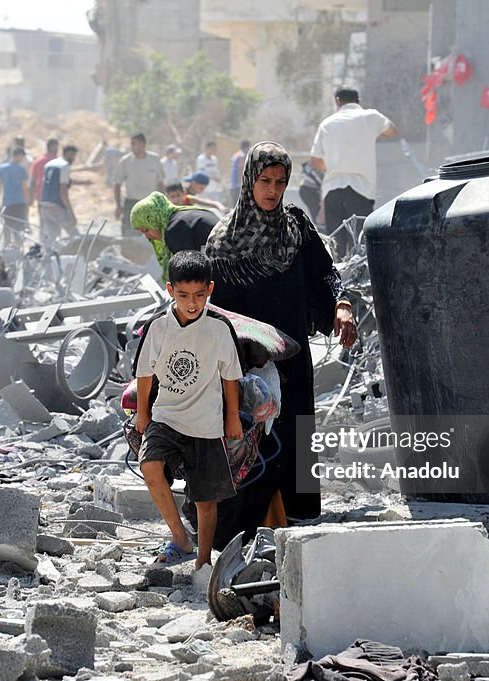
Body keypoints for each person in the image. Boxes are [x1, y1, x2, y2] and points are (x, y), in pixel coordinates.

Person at [204, 141, 358, 548]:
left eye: (280, 182)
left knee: (296, 431)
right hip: (248, 364)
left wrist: (340, 305)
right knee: (254, 437)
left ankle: (299, 518)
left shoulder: (296, 227)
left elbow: (324, 271)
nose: (272, 190)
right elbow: (212, 312)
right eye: (265, 181)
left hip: (293, 358)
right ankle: (247, 527)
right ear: (249, 182)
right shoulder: (223, 243)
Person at [134, 250, 243, 568]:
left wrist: (232, 417)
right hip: (166, 415)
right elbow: (145, 373)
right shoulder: (158, 327)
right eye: (183, 295)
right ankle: (180, 539)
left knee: (205, 499)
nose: (192, 303)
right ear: (170, 291)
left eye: (198, 295)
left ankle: (204, 561)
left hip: (206, 423)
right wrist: (143, 413)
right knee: (151, 466)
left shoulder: (219, 328)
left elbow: (230, 377)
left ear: (210, 289)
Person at [310, 86, 396, 258]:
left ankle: (336, 282)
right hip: (361, 189)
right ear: (358, 101)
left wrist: (335, 165)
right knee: (360, 245)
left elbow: (315, 162)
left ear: (337, 102)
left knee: (336, 246)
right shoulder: (370, 117)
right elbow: (392, 131)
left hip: (332, 190)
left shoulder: (326, 124)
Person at [130, 191, 218, 281]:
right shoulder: (184, 214)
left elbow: (190, 273)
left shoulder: (175, 230)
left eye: (146, 230)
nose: (147, 236)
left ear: (154, 221)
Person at [39, 145, 91, 245]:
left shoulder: (49, 164)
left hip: (44, 206)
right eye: (74, 156)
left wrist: (83, 182)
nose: (74, 159)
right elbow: (63, 192)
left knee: (50, 240)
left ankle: (47, 259)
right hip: (56, 207)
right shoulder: (64, 166)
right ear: (69, 154)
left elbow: (53, 183)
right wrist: (71, 214)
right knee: (75, 236)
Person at [113, 133, 164, 234]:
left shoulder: (154, 160)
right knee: (128, 236)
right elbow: (117, 184)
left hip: (150, 204)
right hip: (132, 204)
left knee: (151, 237)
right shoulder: (125, 161)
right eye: (131, 144)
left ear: (143, 144)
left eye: (134, 143)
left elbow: (160, 183)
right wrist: (118, 205)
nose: (132, 146)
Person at [0, 147, 30, 244]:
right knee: (18, 230)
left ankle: (6, 251)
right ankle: (18, 251)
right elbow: (25, 188)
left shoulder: (2, 168)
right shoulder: (21, 170)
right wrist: (27, 203)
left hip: (7, 203)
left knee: (7, 229)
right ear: (19, 156)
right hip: (19, 203)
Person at [29, 138, 59, 234]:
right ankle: (55, 246)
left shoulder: (38, 161)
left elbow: (33, 182)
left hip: (41, 197)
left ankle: (43, 246)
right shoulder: (58, 162)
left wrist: (31, 198)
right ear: (54, 147)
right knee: (56, 224)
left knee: (44, 223)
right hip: (56, 198)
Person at [229, 140, 250, 206]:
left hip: (233, 183)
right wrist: (242, 182)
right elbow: (240, 170)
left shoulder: (236, 154)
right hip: (238, 184)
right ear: (246, 147)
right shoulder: (241, 156)